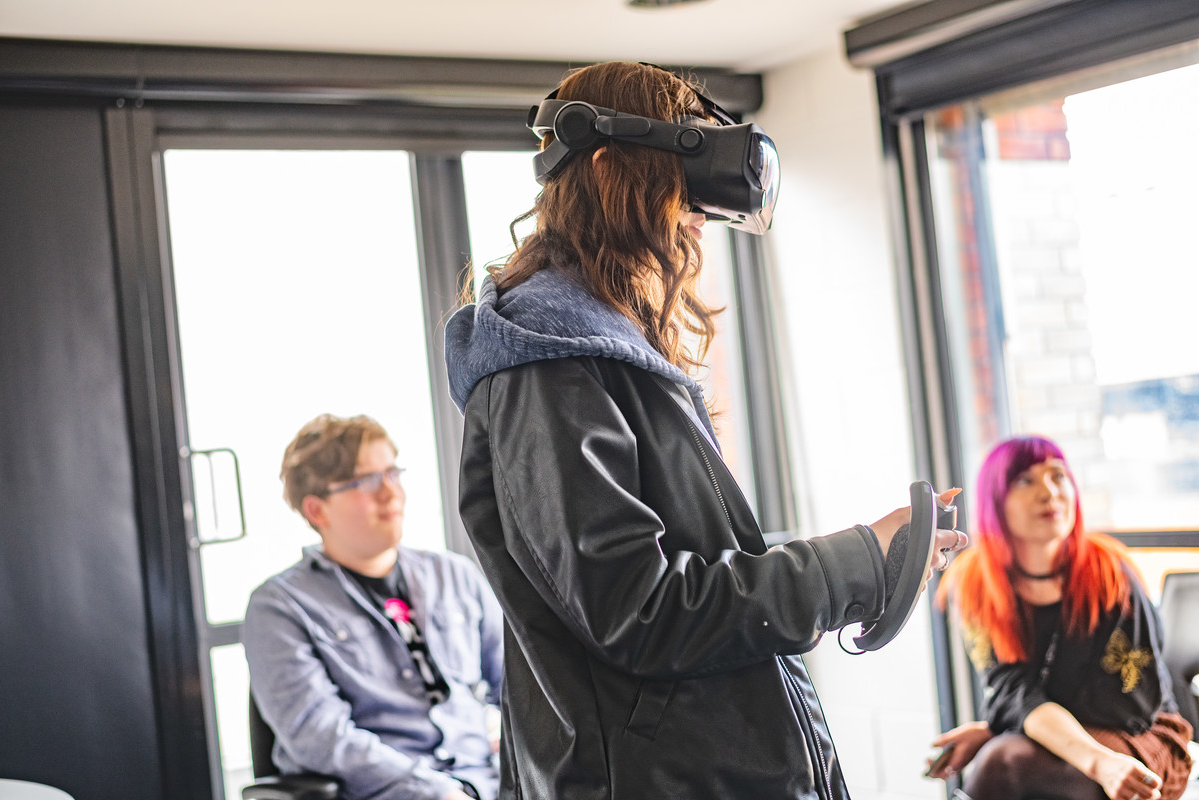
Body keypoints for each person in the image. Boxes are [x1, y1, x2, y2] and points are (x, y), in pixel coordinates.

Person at [443, 60, 964, 800]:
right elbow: (640, 612)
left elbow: (698, 567)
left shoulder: (603, 352)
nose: (695, 219)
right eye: (677, 187)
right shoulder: (547, 368)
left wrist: (869, 557)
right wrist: (849, 567)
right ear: (608, 171)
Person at [243, 414, 504, 800]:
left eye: (393, 473)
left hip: (492, 783)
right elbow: (320, 736)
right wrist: (439, 793)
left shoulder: (455, 576)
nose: (391, 493)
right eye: (366, 481)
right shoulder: (280, 607)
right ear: (317, 510)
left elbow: (520, 687)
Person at [928, 435, 1194, 800]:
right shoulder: (976, 582)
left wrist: (1005, 724)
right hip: (1061, 741)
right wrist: (1015, 717)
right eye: (1025, 480)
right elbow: (1014, 690)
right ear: (995, 500)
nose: (1049, 492)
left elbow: (1124, 703)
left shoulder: (1109, 573)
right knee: (1006, 763)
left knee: (1004, 762)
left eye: (1058, 476)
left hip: (1142, 734)